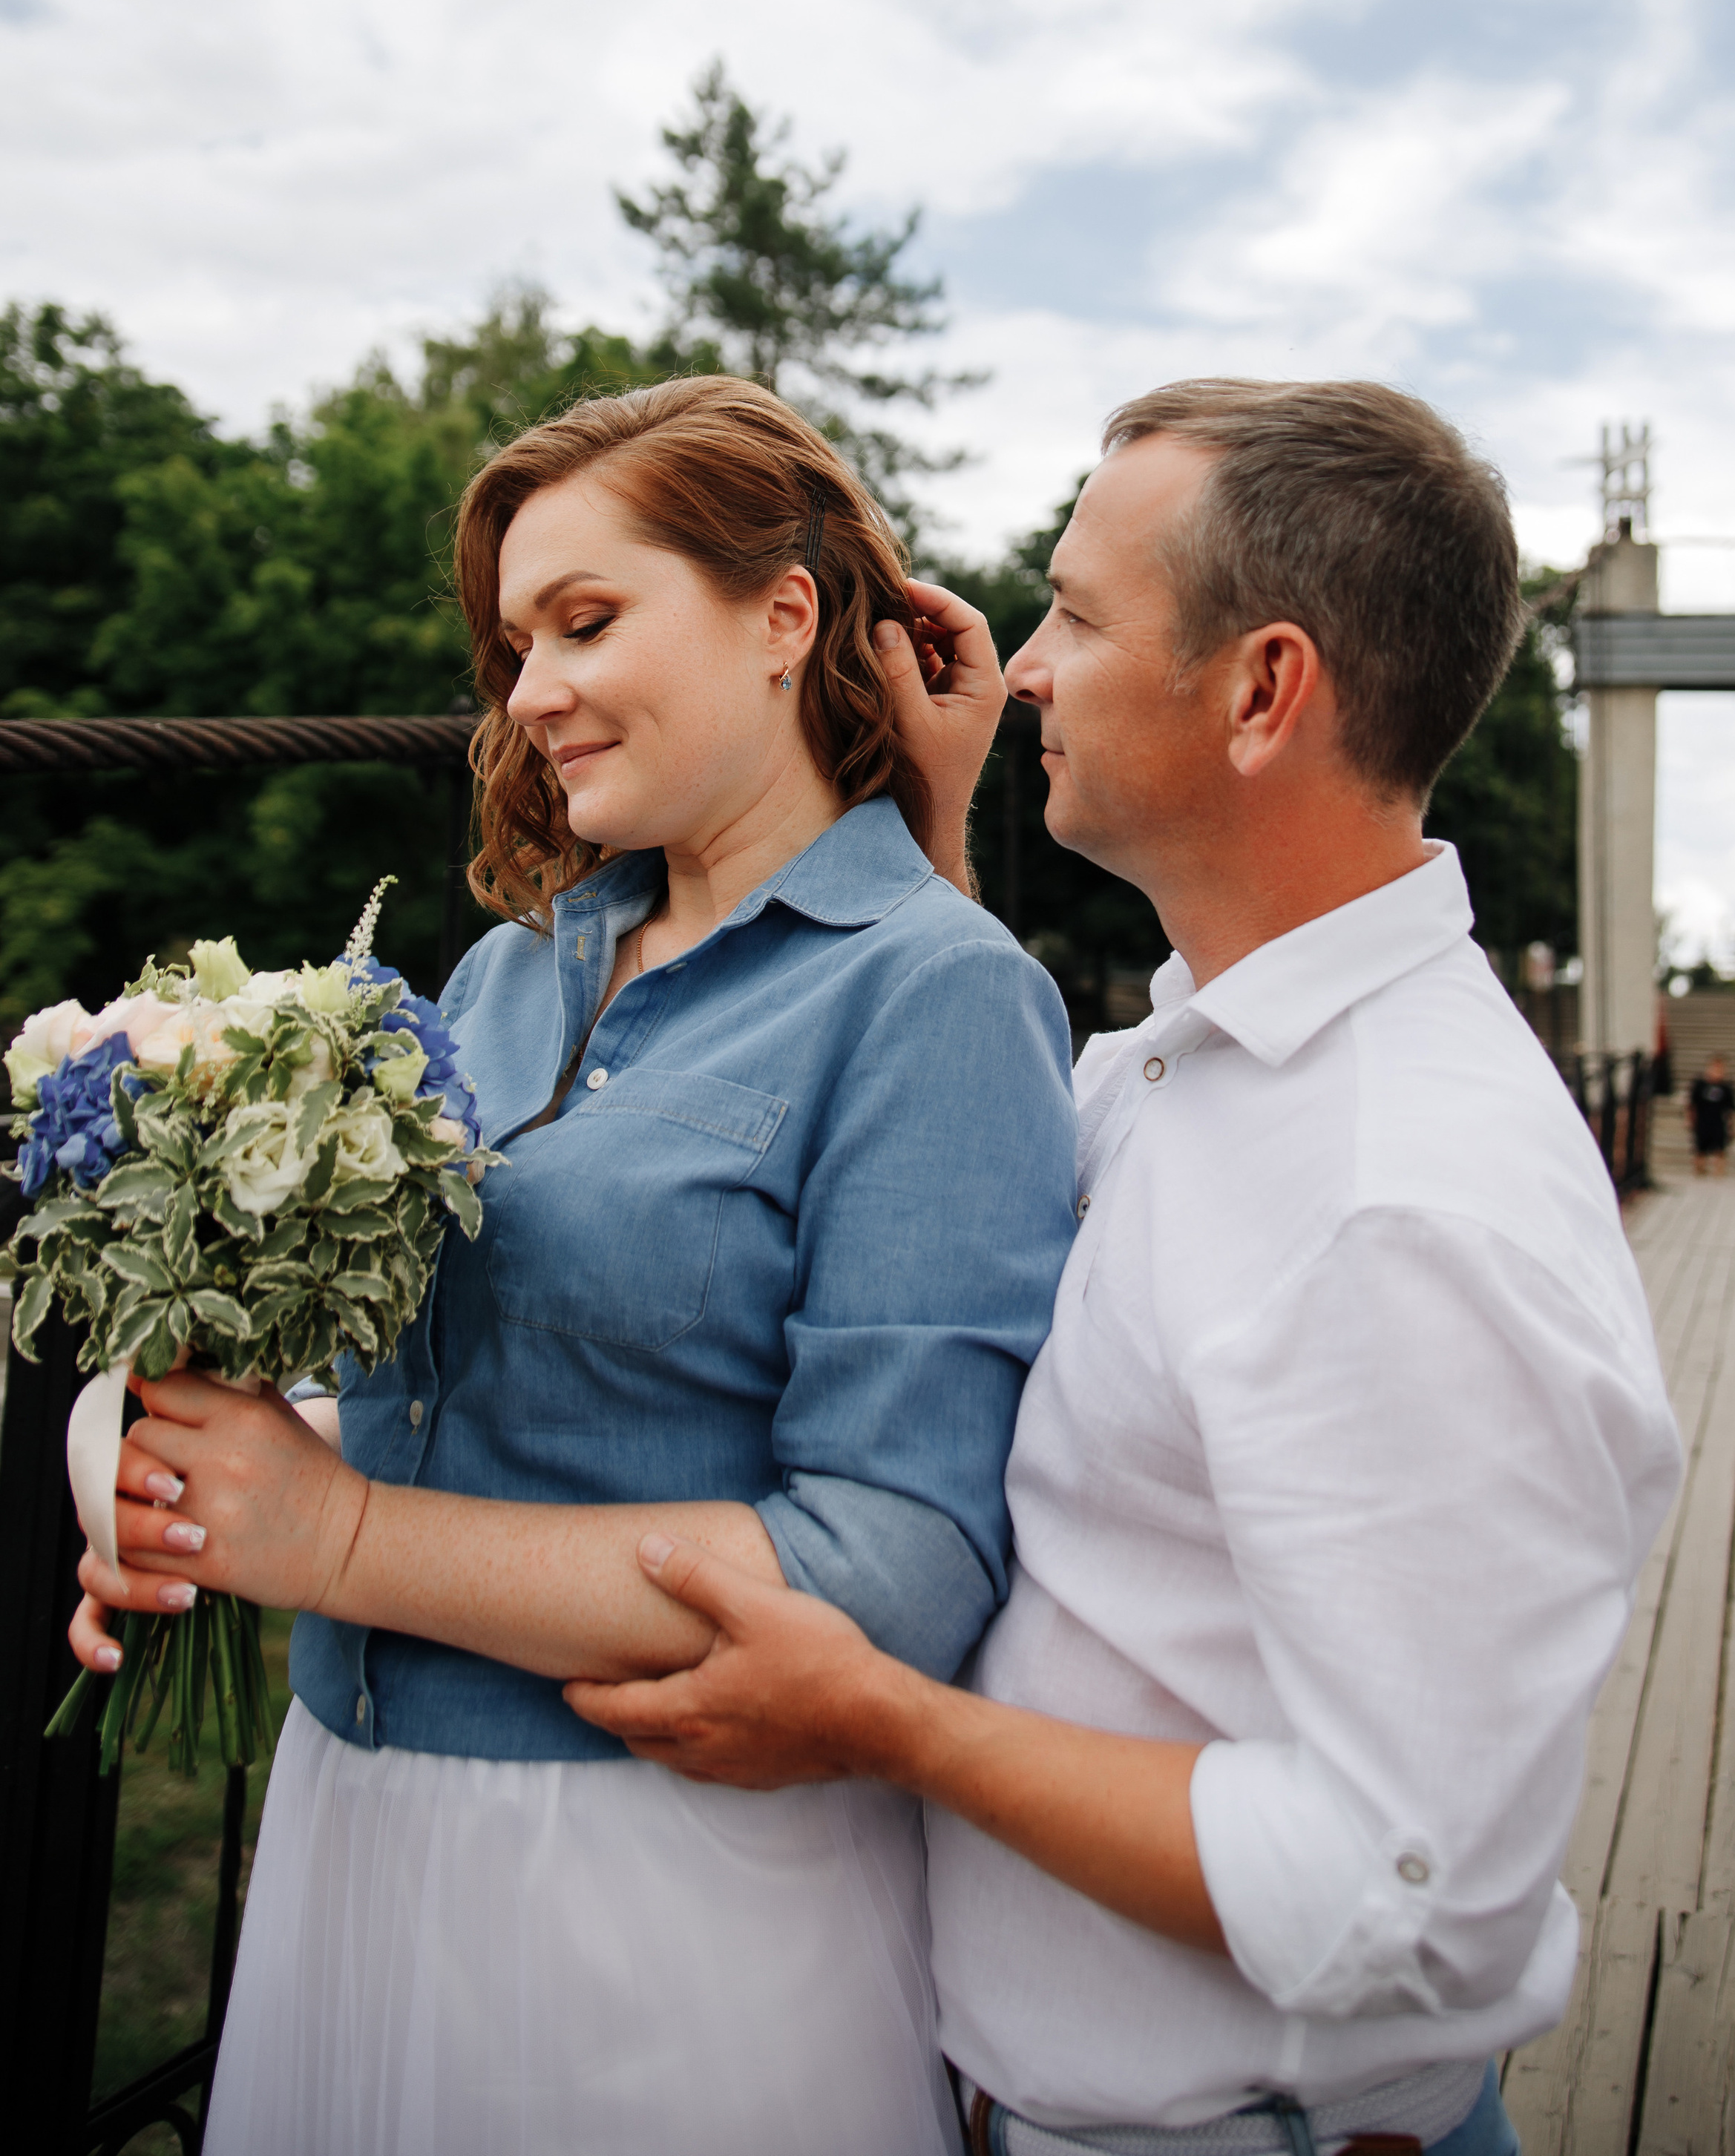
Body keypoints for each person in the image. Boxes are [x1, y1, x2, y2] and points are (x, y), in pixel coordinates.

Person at [568, 380, 1685, 2156]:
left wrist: (886, 1720)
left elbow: (1407, 1890)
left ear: (1260, 690)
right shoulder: (1194, 1064)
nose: (1018, 665)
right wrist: (931, 844)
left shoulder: (1402, 1202)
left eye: (1076, 615)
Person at [69, 378, 1078, 2156]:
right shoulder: (500, 975)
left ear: (783, 616)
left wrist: (344, 1542)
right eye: (516, 640)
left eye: (586, 621)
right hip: (348, 1828)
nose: (527, 691)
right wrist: (177, 1504)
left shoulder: (939, 989)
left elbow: (896, 1569)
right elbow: (432, 1377)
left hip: (657, 1888)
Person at [1685, 1051, 1735, 1178]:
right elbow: (1692, 1105)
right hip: (1703, 1122)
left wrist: (1734, 1126)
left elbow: (1732, 1109)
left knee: (1720, 1151)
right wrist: (1690, 1120)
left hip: (1719, 1123)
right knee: (1700, 1150)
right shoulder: (1700, 1084)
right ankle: (1699, 1174)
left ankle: (1719, 1175)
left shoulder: (1726, 1087)